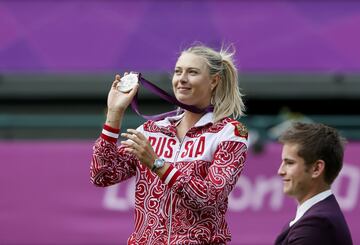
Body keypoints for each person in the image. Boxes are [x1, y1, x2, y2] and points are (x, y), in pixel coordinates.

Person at [90, 44, 249, 244]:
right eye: (178, 72)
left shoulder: (229, 132)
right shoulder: (151, 131)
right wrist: (114, 113)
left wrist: (158, 164)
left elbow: (210, 198)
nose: (181, 79)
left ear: (214, 81)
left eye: (192, 72)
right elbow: (102, 175)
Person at [275, 122, 353, 245]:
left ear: (316, 169)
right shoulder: (314, 219)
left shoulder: (316, 226)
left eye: (289, 163)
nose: (280, 171)